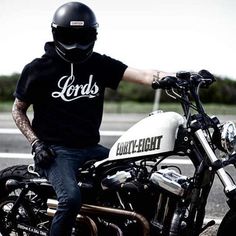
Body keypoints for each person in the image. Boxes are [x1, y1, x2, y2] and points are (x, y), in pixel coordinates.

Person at [12, 2, 175, 236]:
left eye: (83, 35)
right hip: (56, 151)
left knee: (139, 182)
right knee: (70, 199)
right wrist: (36, 144)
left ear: (93, 35)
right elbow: (18, 110)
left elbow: (144, 74)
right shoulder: (38, 68)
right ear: (57, 33)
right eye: (70, 35)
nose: (76, 43)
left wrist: (182, 76)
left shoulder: (98, 63)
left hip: (91, 148)